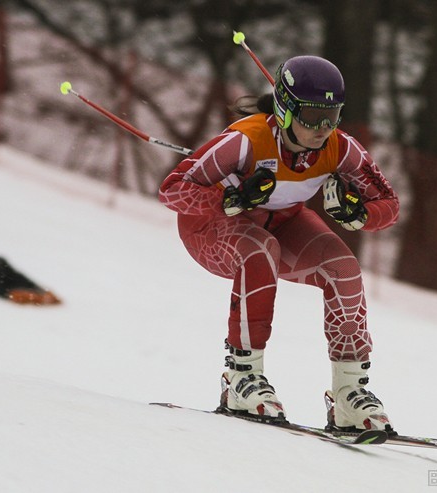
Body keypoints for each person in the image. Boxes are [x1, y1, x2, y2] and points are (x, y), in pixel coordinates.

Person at [158, 56, 399, 432]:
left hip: (279, 224)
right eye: (311, 116)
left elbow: (389, 205)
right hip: (211, 229)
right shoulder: (245, 140)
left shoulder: (340, 147)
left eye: (331, 116)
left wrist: (360, 214)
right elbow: (172, 191)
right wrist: (226, 199)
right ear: (285, 109)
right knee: (259, 252)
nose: (322, 128)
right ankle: (242, 378)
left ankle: (349, 393)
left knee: (343, 269)